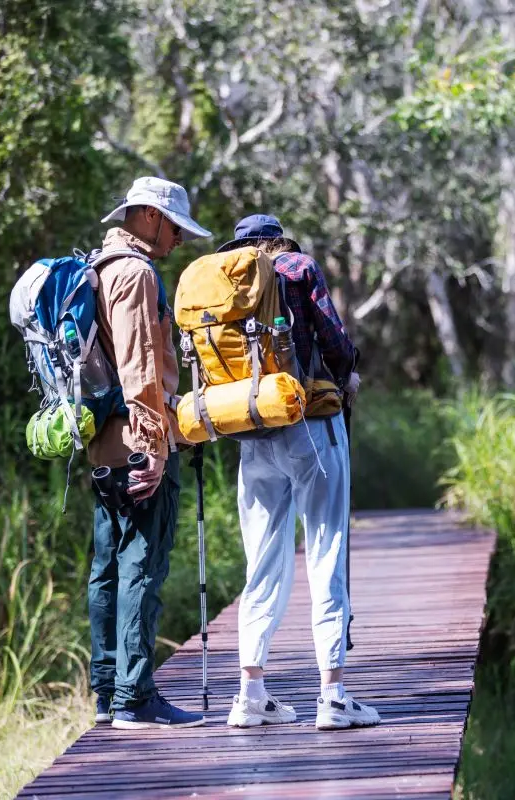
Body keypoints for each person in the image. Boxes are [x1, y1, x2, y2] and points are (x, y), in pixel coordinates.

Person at [219, 214, 378, 730]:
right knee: (326, 549)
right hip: (309, 425)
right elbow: (334, 339)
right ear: (278, 240)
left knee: (261, 563)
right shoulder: (297, 267)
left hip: (252, 431)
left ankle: (251, 692)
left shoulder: (224, 281)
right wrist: (349, 372)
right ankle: (332, 696)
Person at [88, 176, 212, 729]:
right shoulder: (136, 274)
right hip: (137, 446)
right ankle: (135, 697)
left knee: (107, 570)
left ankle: (108, 694)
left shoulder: (99, 267)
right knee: (141, 566)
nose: (179, 240)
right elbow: (140, 369)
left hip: (102, 445)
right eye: (176, 227)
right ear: (150, 217)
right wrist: (154, 448)